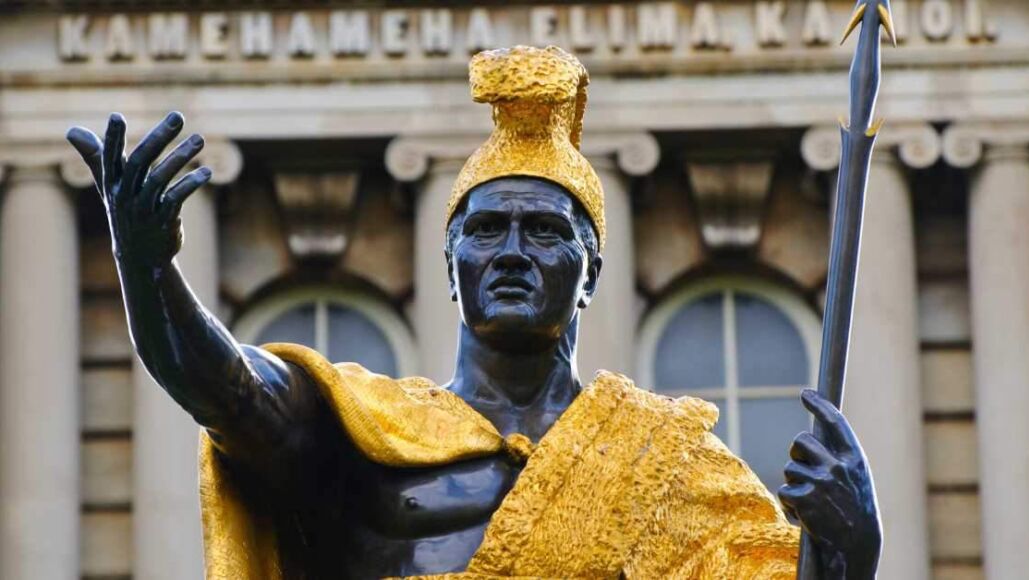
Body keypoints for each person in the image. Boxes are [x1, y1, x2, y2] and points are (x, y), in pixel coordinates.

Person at [67, 46, 880, 579]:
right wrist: (149, 269)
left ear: (590, 270)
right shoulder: (367, 428)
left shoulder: (665, 462)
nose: (514, 251)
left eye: (546, 231)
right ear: (450, 266)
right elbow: (225, 391)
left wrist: (848, 549)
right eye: (487, 229)